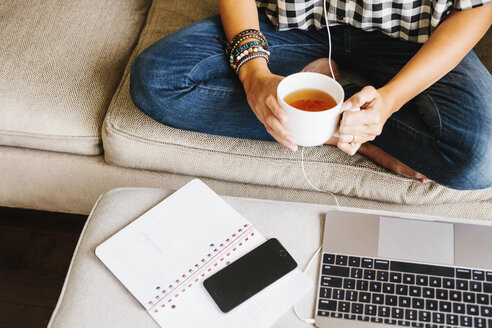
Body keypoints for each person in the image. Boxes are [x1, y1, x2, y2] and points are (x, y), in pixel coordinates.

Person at [129, 0, 492, 190]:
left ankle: (347, 114)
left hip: (411, 39)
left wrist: (391, 100)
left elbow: (477, 8)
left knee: (481, 161)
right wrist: (254, 73)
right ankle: (336, 131)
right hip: (291, 24)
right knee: (158, 80)